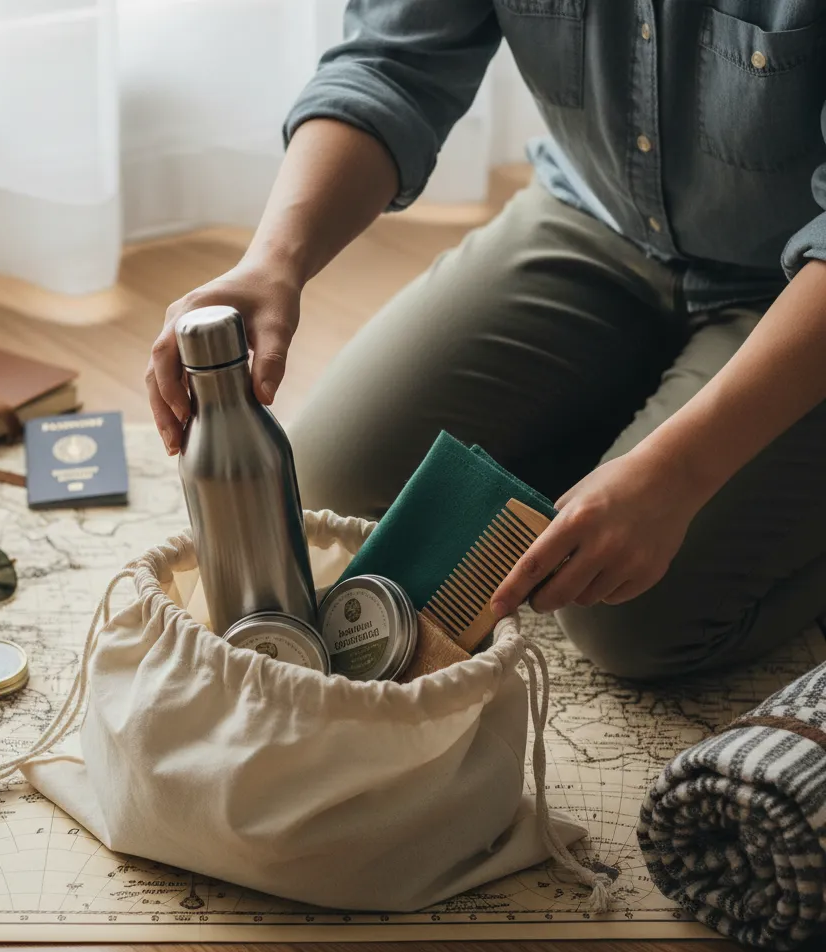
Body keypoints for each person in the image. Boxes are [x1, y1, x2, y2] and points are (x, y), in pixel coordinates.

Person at [146, 2, 826, 680]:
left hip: (793, 284)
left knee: (626, 617)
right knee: (330, 493)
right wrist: (273, 262)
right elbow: (395, 61)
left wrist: (680, 472)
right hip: (595, 216)